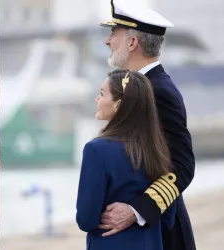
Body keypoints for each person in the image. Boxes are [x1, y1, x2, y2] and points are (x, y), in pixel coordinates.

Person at [98, 1, 196, 249]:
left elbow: (182, 165)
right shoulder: (134, 88)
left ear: (133, 43)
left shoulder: (159, 91)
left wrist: (137, 209)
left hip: (162, 233)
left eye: (114, 34)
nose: (107, 41)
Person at [76, 70, 176, 250]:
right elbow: (168, 217)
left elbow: (86, 219)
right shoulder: (158, 148)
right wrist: (137, 214)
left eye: (101, 94)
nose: (96, 100)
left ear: (118, 105)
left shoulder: (96, 150)